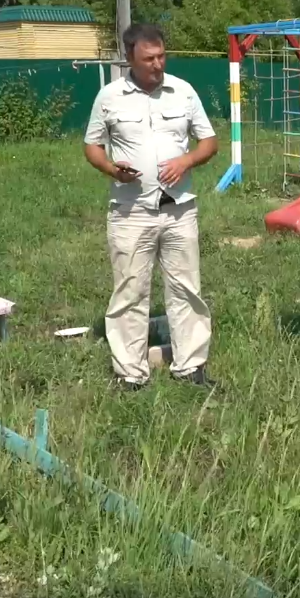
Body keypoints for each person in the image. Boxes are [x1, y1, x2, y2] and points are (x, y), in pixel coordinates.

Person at [83, 23, 220, 389]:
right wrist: (112, 169)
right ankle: (130, 373)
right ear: (130, 58)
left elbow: (208, 141)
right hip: (130, 212)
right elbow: (92, 147)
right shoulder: (109, 97)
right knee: (130, 290)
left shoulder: (183, 92)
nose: (158, 65)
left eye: (161, 56)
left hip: (179, 210)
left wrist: (186, 162)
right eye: (149, 59)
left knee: (186, 288)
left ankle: (191, 367)